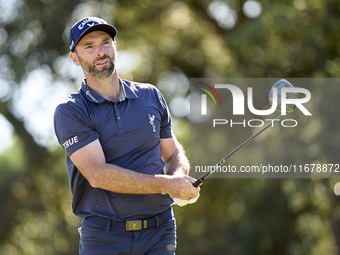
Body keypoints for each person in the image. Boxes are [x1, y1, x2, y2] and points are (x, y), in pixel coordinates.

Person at [54, 17, 200, 255]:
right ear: (75, 58)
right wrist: (166, 184)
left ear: (115, 47)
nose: (100, 51)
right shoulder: (71, 111)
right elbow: (98, 175)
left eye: (105, 42)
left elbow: (172, 152)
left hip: (160, 231)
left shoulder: (150, 96)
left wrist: (179, 180)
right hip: (105, 237)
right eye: (89, 46)